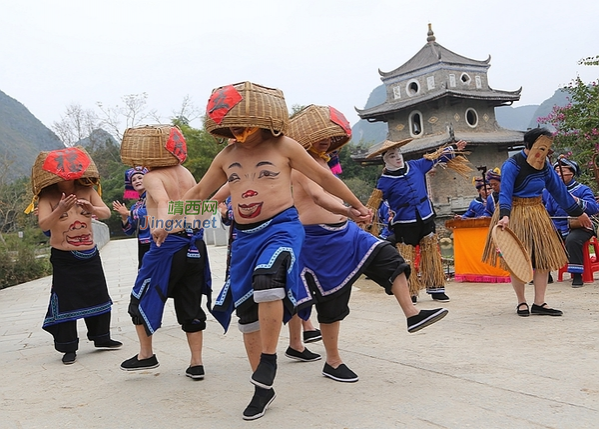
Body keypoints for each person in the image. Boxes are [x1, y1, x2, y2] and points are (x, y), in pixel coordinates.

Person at [165, 81, 371, 420]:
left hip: (282, 228)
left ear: (260, 118)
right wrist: (167, 220)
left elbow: (323, 177)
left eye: (240, 122)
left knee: (269, 278)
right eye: (229, 124)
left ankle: (271, 356)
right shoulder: (226, 155)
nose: (235, 130)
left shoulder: (285, 146)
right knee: (247, 313)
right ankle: (262, 387)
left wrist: (356, 205)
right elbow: (201, 191)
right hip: (244, 237)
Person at [287, 104, 448, 383]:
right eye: (320, 136)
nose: (326, 140)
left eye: (329, 135)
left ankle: (412, 313)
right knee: (332, 302)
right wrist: (350, 210)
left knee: (389, 256)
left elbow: (334, 195)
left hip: (345, 232)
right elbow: (318, 197)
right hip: (317, 241)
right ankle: (333, 362)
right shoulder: (299, 165)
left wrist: (355, 209)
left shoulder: (324, 163)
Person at [119, 125, 213, 381]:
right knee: (190, 303)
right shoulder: (186, 173)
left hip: (167, 246)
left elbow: (162, 201)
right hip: (195, 246)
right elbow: (198, 204)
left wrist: (161, 226)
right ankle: (196, 363)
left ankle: (145, 355)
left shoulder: (154, 176)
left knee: (140, 297)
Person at [482, 127, 592, 317]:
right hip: (514, 213)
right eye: (542, 146)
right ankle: (521, 302)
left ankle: (539, 302)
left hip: (536, 212)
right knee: (517, 258)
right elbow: (505, 192)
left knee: (542, 257)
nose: (546, 151)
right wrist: (505, 215)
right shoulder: (512, 164)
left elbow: (559, 192)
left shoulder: (546, 166)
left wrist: (579, 213)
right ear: (529, 145)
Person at [31, 147, 122, 365]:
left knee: (98, 293)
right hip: (64, 256)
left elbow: (106, 213)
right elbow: (43, 223)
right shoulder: (47, 195)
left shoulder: (87, 189)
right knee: (66, 299)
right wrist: (59, 208)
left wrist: (92, 207)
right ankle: (69, 346)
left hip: (89, 253)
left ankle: (102, 337)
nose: (68, 175)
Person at [367, 138, 469, 303]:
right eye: (392, 156)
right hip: (404, 223)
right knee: (406, 256)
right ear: (386, 161)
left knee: (431, 253)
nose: (398, 158)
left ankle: (436, 288)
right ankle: (411, 289)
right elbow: (374, 205)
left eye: (399, 154)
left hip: (426, 216)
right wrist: (366, 220)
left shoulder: (416, 166)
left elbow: (438, 156)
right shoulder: (384, 182)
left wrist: (455, 147)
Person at [544, 158, 598, 287]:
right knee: (541, 238)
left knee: (572, 240)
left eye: (562, 171)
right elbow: (548, 211)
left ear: (572, 173)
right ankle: (545, 274)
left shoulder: (582, 189)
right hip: (559, 226)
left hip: (581, 226)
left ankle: (577, 275)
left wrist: (575, 200)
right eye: (556, 171)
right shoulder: (552, 192)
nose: (558, 174)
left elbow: (594, 208)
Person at [112, 167, 150, 268]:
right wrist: (124, 217)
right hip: (143, 244)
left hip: (157, 242)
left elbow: (153, 212)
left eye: (140, 178)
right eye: (133, 180)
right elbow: (129, 231)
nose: (137, 181)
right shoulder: (135, 206)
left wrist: (128, 212)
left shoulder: (154, 196)